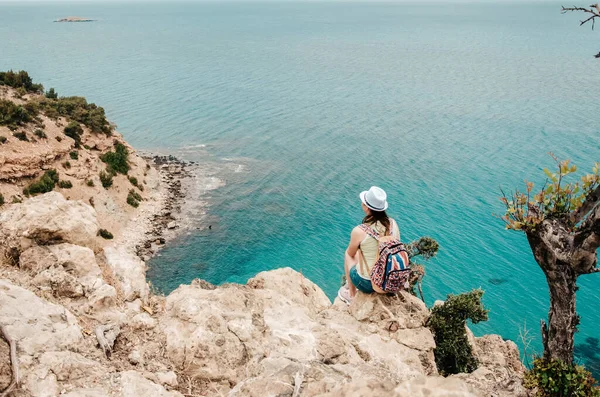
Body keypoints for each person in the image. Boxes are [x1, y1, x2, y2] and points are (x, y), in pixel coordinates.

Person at [338, 186, 400, 304]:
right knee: (364, 250)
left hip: (368, 284)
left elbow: (351, 254)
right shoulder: (392, 224)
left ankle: (351, 295)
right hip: (391, 280)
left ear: (366, 207)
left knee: (349, 253)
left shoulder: (359, 231)